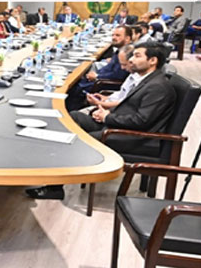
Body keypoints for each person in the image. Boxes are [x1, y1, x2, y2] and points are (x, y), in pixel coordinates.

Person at [28, 42, 176, 200]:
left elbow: (141, 121)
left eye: (137, 56)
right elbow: (131, 108)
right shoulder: (147, 80)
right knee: (74, 117)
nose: (131, 59)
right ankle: (48, 169)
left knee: (77, 140)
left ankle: (54, 188)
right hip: (119, 126)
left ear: (152, 61)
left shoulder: (158, 87)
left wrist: (107, 117)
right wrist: (105, 113)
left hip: (134, 137)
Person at [66, 26, 132, 111]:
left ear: (127, 38)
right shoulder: (120, 50)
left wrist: (97, 76)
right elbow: (108, 68)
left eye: (117, 35)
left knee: (73, 88)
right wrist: (96, 74)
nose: (114, 37)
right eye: (113, 35)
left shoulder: (126, 54)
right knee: (74, 81)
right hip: (100, 78)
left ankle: (70, 112)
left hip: (105, 83)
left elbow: (118, 75)